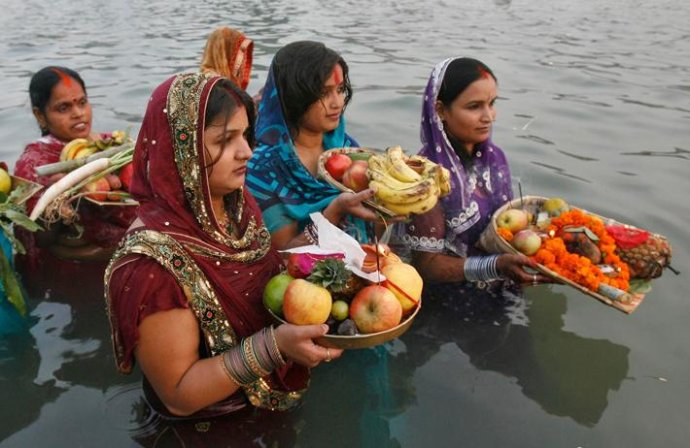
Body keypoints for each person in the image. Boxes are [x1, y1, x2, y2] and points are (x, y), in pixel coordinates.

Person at [105, 72, 342, 422]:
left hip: (266, 405)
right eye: (224, 140)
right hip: (209, 426)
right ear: (181, 150)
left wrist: (333, 218)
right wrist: (275, 347)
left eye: (245, 135)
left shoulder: (235, 203)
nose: (247, 151)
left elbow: (268, 272)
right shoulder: (151, 266)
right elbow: (179, 395)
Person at [400, 57, 548, 285]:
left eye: (492, 103)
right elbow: (426, 267)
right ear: (440, 110)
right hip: (452, 303)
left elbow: (504, 228)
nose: (489, 117)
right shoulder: (426, 176)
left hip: (505, 284)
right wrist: (495, 266)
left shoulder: (495, 158)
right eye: (474, 106)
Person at [13, 66, 136, 298]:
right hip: (68, 282)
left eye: (82, 102)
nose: (79, 113)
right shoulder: (35, 164)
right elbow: (41, 237)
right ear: (40, 116)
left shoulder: (110, 145)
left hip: (115, 264)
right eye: (64, 108)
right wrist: (59, 198)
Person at [246, 41, 382, 249]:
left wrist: (388, 212)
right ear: (294, 96)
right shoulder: (263, 168)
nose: (337, 103)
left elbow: (370, 234)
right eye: (324, 93)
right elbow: (283, 255)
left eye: (340, 90)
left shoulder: (346, 149)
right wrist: (334, 211)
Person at [200, 26, 254, 91]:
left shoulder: (200, 80)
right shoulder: (221, 86)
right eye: (239, 53)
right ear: (228, 53)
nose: (243, 60)